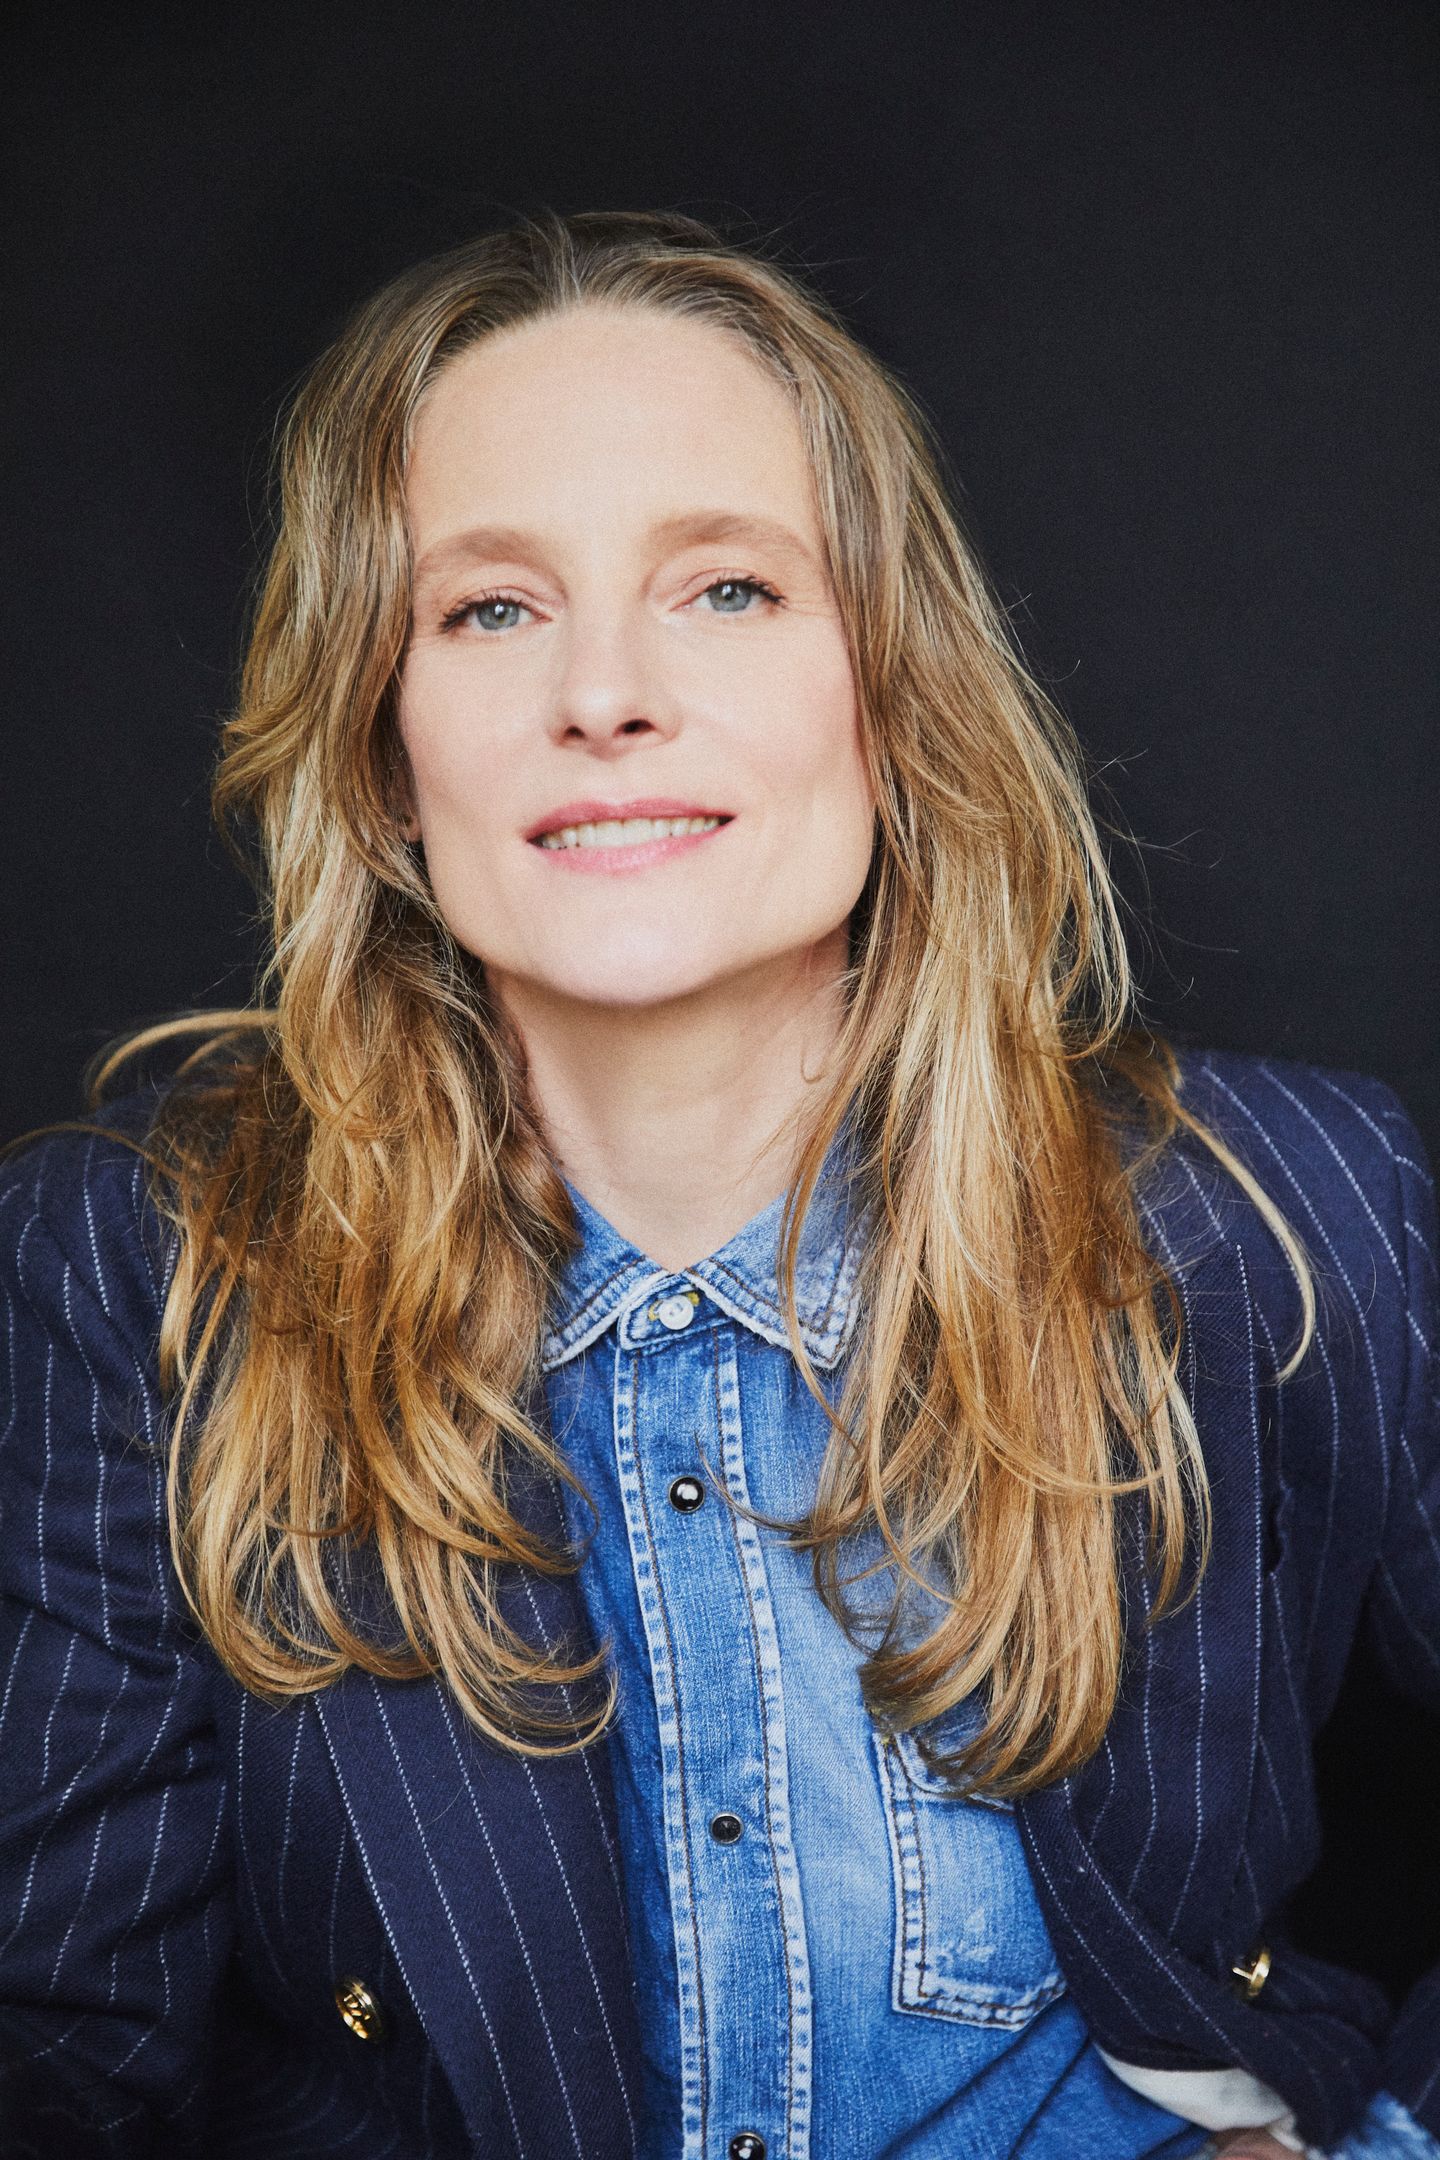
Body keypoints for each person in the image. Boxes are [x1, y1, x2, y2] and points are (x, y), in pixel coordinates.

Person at [0, 210, 1435, 2160]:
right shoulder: (142, 1274)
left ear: (894, 692)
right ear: (382, 747)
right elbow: (60, 2047)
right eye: (489, 609)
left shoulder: (1295, 1214)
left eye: (729, 588)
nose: (604, 692)